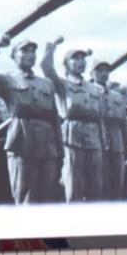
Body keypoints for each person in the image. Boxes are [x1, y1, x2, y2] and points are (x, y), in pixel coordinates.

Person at [0, 34, 63, 203]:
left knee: (48, 197)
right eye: (24, 51)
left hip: (48, 146)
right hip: (22, 143)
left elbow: (54, 118)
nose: (30, 55)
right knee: (25, 194)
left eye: (33, 51)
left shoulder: (46, 84)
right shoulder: (8, 80)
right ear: (13, 56)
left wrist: (60, 151)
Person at [41, 39, 104, 202]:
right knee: (74, 184)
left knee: (96, 185)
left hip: (94, 138)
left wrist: (102, 141)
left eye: (83, 58)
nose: (80, 62)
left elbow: (100, 116)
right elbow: (46, 67)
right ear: (66, 64)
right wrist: (51, 48)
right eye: (75, 58)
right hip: (72, 138)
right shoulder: (62, 84)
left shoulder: (93, 88)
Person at [91, 60, 127, 201]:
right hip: (97, 140)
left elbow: (124, 122)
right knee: (101, 180)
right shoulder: (90, 92)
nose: (103, 74)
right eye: (99, 70)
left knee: (118, 179)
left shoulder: (117, 96)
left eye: (106, 70)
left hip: (117, 141)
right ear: (92, 73)